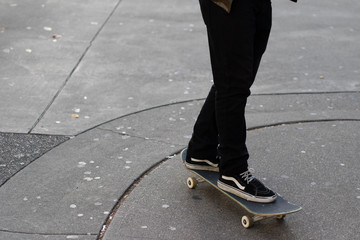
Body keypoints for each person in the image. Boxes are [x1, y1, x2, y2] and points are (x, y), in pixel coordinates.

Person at [185, 0, 276, 203]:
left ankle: (202, 147)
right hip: (229, 4)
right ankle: (233, 170)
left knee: (236, 79)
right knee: (232, 83)